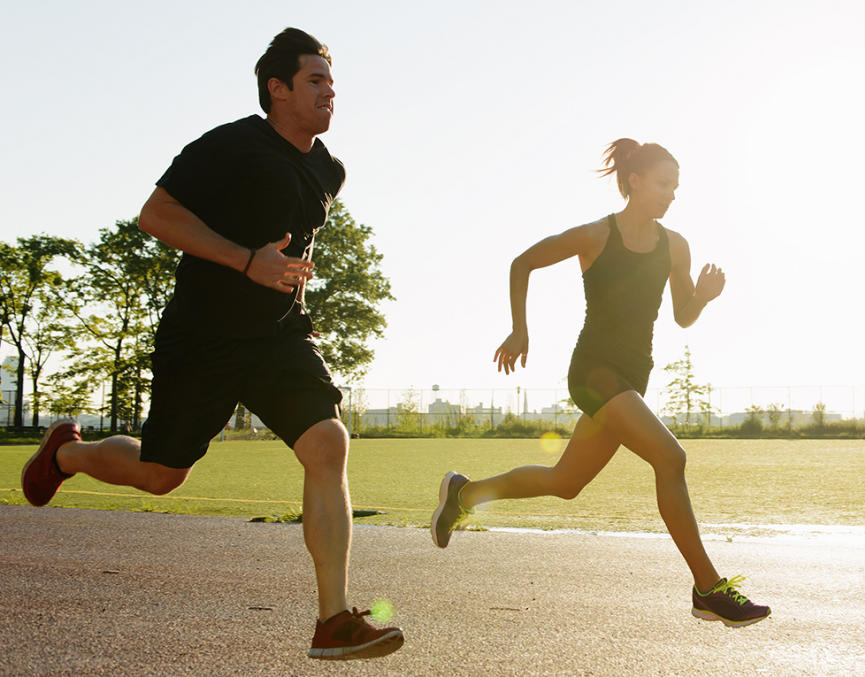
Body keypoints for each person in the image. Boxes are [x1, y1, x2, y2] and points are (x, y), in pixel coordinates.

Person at [20, 28, 403, 661]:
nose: (329, 91)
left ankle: (333, 619)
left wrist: (285, 293)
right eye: (314, 80)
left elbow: (293, 251)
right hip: (205, 335)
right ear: (276, 90)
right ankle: (68, 455)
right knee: (161, 474)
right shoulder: (229, 146)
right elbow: (156, 214)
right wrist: (244, 262)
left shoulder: (327, 168)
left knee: (329, 441)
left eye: (331, 81)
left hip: (279, 336)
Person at [431, 139, 771, 627]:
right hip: (594, 372)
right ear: (634, 181)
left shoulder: (675, 245)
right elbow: (522, 262)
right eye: (662, 184)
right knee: (671, 457)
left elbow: (682, 316)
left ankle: (463, 494)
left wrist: (704, 298)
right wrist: (520, 328)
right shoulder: (595, 236)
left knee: (565, 482)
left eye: (675, 187)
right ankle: (707, 588)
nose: (671, 195)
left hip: (634, 377)